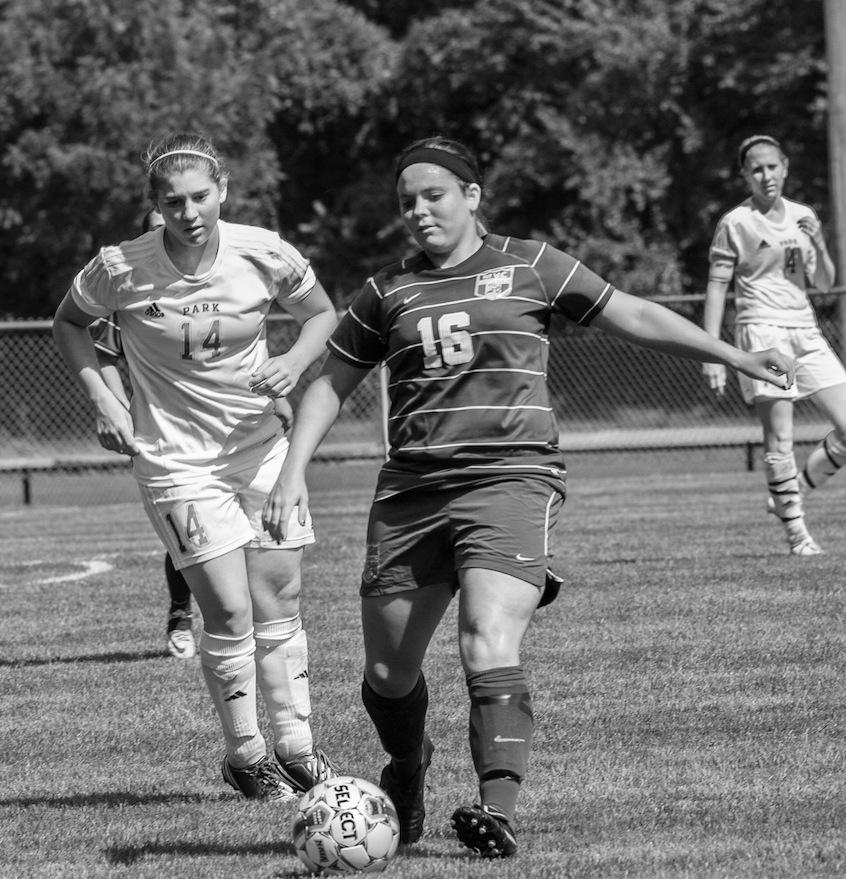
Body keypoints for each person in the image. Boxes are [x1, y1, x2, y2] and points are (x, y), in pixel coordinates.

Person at [260, 136, 794, 856]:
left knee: (487, 634)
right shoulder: (387, 291)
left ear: (472, 196)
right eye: (406, 202)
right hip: (411, 495)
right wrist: (292, 472)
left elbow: (631, 312)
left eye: (434, 195)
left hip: (512, 478)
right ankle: (409, 769)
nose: (418, 212)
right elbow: (330, 383)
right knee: (387, 675)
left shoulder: (532, 265)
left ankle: (495, 807)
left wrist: (732, 352)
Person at [52, 131, 339, 801]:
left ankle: (297, 746)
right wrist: (104, 399)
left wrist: (293, 362)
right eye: (173, 201)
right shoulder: (119, 266)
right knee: (231, 609)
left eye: (200, 197)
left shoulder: (263, 251)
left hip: (261, 448)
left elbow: (323, 314)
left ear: (224, 192)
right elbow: (69, 323)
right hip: (176, 461)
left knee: (281, 599)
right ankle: (246, 755)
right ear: (155, 205)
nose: (189, 212)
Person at [91, 209, 296, 660]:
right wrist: (117, 405)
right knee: (196, 534)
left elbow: (241, 358)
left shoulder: (229, 275)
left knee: (255, 560)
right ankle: (182, 614)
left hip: (241, 440)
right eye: (158, 224)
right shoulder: (131, 285)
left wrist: (277, 392)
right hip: (173, 443)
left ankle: (262, 634)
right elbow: (100, 351)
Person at [702, 134, 846, 556]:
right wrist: (713, 354)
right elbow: (716, 288)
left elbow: (823, 284)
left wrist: (817, 241)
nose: (766, 175)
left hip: (806, 332)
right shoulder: (735, 223)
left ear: (785, 167)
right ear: (746, 175)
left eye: (772, 166)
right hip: (764, 335)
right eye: (756, 169)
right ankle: (797, 535)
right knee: (780, 438)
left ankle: (789, 496)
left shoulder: (803, 215)